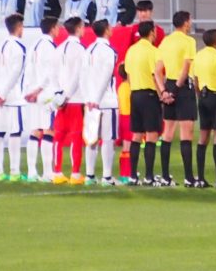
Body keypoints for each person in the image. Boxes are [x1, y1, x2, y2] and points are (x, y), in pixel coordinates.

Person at [154, 11, 197, 186]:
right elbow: (186, 69)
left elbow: (157, 71)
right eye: (190, 20)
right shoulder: (189, 41)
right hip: (183, 87)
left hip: (169, 85)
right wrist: (176, 91)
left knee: (168, 132)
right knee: (186, 133)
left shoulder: (165, 41)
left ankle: (165, 176)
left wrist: (164, 91)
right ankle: (188, 177)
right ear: (186, 23)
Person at [124, 19, 164, 186]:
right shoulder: (154, 51)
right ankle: (149, 175)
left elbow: (128, 75)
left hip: (135, 94)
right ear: (152, 32)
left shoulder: (131, 51)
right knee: (152, 135)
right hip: (149, 95)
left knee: (136, 135)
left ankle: (133, 175)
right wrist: (162, 93)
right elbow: (156, 75)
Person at [0, 14, 29, 181]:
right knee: (14, 132)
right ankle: (14, 171)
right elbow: (15, 73)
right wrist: (4, 93)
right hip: (12, 97)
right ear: (19, 27)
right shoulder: (19, 47)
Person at [80, 19, 119, 186]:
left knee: (92, 138)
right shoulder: (109, 51)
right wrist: (96, 98)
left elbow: (82, 77)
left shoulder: (88, 50)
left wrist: (88, 98)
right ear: (107, 30)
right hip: (106, 101)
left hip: (90, 102)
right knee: (108, 138)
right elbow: (106, 76)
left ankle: (89, 175)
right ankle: (107, 176)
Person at [24, 17, 61, 182]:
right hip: (46, 93)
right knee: (48, 130)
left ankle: (32, 172)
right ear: (53, 29)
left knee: (35, 131)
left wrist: (30, 91)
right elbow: (50, 73)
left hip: (34, 94)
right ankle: (47, 172)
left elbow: (29, 69)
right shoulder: (51, 47)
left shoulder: (33, 46)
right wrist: (39, 89)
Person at [52, 17, 88, 183]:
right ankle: (75, 173)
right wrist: (66, 94)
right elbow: (78, 76)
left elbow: (52, 74)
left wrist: (58, 95)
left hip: (59, 99)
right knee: (76, 136)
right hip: (75, 98)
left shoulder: (58, 49)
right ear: (79, 28)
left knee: (58, 136)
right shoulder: (81, 50)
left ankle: (57, 172)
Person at [192, 28, 216, 189]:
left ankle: (200, 178)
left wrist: (200, 96)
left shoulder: (198, 56)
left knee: (203, 137)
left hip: (203, 97)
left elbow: (195, 80)